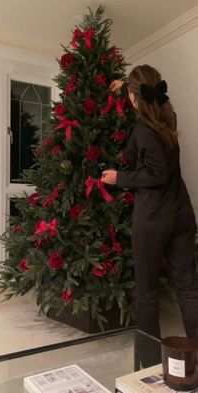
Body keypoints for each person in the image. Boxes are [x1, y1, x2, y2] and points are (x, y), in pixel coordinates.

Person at [101, 64, 198, 342]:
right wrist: (124, 87)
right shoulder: (169, 118)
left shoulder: (143, 130)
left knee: (146, 293)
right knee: (188, 286)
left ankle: (148, 364)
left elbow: (156, 173)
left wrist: (119, 177)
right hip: (181, 214)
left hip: (153, 218)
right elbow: (146, 92)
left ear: (135, 97)